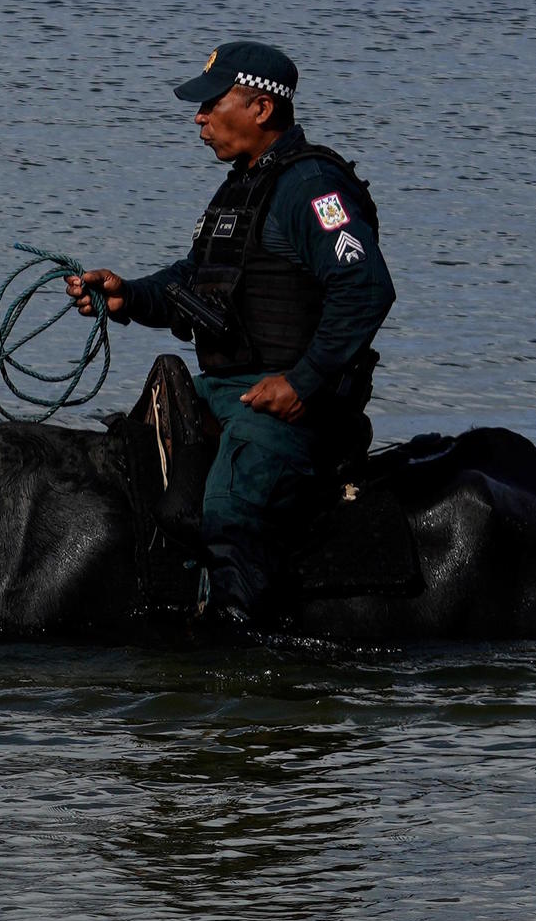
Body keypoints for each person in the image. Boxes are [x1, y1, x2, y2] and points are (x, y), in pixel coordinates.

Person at [67, 41, 394, 627]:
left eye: (211, 104)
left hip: (291, 408)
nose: (198, 117)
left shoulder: (314, 187)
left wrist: (303, 381)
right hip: (225, 390)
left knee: (226, 510)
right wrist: (127, 295)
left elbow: (365, 289)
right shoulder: (241, 186)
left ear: (261, 108)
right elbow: (196, 282)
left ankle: (242, 654)